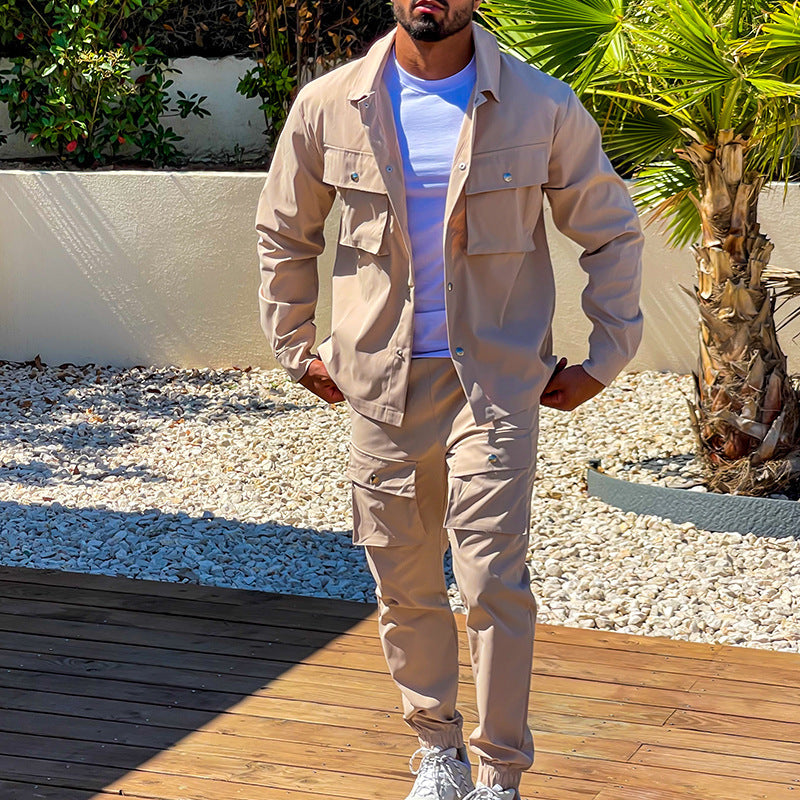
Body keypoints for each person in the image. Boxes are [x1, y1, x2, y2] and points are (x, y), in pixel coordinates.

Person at [255, 1, 643, 797]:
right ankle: (438, 752)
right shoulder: (330, 104)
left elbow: (609, 230)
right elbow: (285, 232)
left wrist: (608, 356)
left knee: (493, 576)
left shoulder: (540, 104)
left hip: (494, 383)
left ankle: (499, 773)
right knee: (404, 581)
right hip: (383, 383)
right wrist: (296, 348)